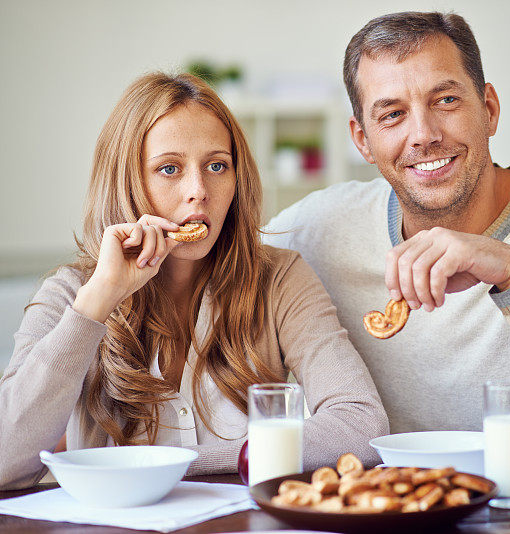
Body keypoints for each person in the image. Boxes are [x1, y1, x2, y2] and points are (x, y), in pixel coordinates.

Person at [264, 11, 510, 457]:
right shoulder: (316, 228)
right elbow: (211, 269)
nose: (423, 134)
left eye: (446, 101)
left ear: (489, 109)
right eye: (393, 114)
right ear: (362, 140)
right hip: (388, 513)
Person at [0, 73, 389, 490]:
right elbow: (6, 461)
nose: (198, 190)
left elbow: (361, 421)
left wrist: (177, 463)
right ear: (127, 180)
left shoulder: (280, 279)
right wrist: (97, 302)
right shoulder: (72, 294)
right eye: (169, 169)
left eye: (217, 165)